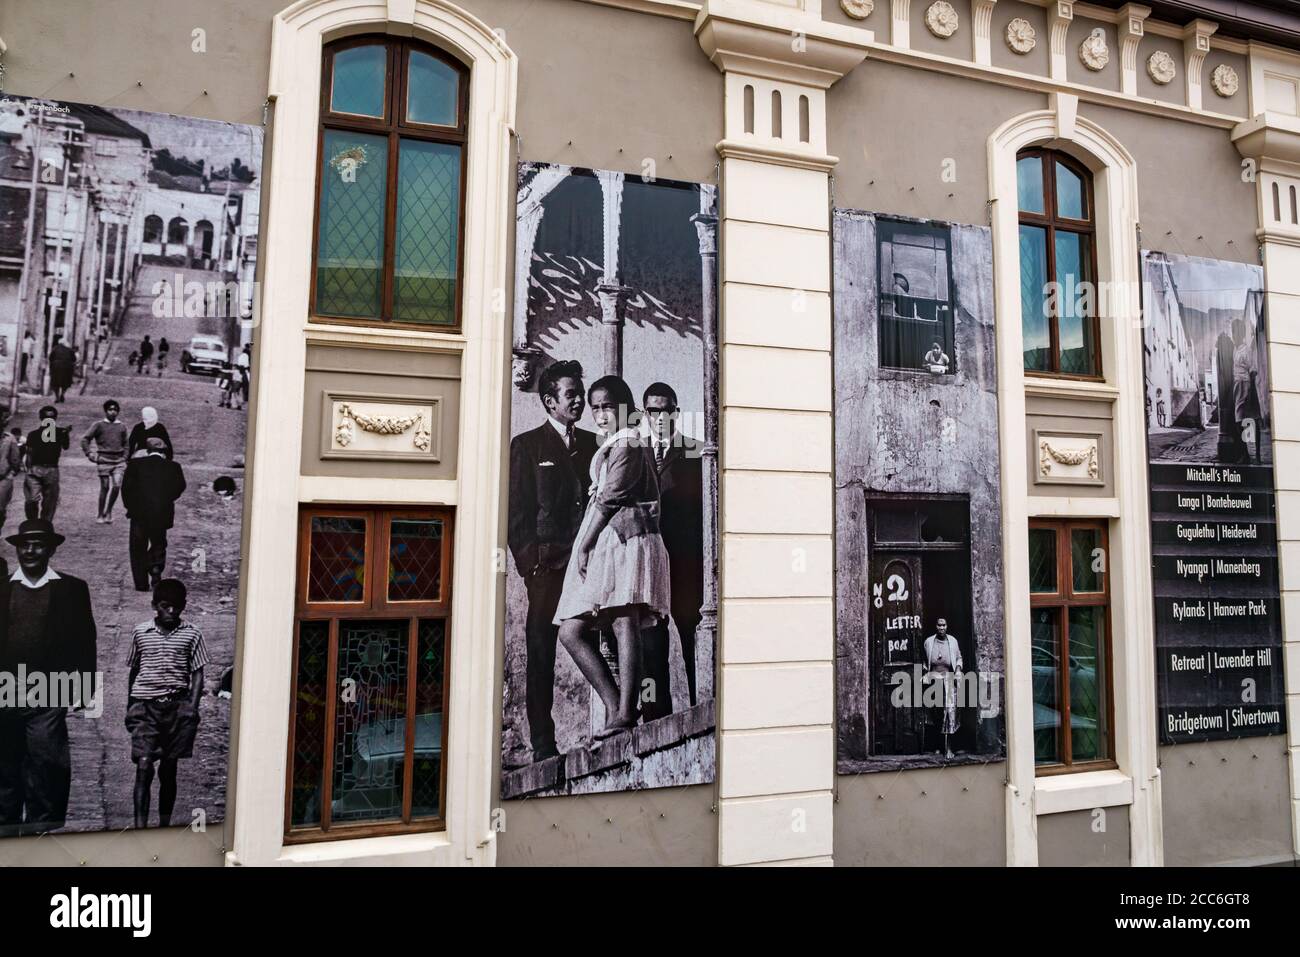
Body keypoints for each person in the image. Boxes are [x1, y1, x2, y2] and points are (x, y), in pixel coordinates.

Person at [554, 376, 671, 740]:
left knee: (624, 619)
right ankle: (615, 703)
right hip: (609, 541)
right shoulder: (613, 446)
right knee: (572, 630)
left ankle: (623, 713)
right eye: (596, 408)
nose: (601, 414)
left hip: (628, 540)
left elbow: (609, 500)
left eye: (607, 407)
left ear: (624, 408)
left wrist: (585, 544)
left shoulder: (630, 445)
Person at [507, 360, 597, 761]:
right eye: (571, 394)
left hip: (593, 565)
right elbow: (516, 513)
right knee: (540, 650)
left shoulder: (595, 445)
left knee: (600, 641)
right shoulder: (526, 446)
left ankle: (607, 724)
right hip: (547, 569)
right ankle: (543, 745)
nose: (579, 400)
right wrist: (532, 565)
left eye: (581, 392)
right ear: (549, 401)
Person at [0, 519, 97, 837]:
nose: (30, 551)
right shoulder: (3, 587)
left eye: (39, 544)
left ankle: (36, 835)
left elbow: (85, 639)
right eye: (25, 545)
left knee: (46, 763)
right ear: (16, 549)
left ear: (51, 549)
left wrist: (83, 690)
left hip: (48, 691)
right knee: (5, 766)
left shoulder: (71, 589)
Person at [639, 382, 703, 720]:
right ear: (645, 414)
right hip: (650, 566)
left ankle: (699, 711)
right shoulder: (636, 453)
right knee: (651, 646)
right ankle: (655, 719)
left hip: (686, 568)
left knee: (693, 639)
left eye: (666, 410)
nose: (660, 416)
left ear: (676, 412)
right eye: (653, 410)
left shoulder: (697, 453)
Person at [125, 578, 209, 829]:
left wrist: (191, 708)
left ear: (183, 606)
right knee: (143, 763)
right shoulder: (141, 632)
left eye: (176, 607)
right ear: (154, 606)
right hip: (145, 707)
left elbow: (197, 673)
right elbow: (134, 671)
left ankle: (164, 825)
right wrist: (130, 704)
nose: (170, 612)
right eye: (164, 606)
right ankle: (140, 828)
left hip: (176, 708)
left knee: (169, 769)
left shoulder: (192, 634)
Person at [122, 438, 187, 592]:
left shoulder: (135, 465)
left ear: (148, 450)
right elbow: (180, 487)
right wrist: (166, 500)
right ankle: (156, 566)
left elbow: (126, 489)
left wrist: (131, 507)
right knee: (158, 542)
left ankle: (141, 583)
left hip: (139, 513)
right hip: (161, 512)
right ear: (164, 452)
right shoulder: (174, 467)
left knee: (138, 547)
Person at [82, 399, 129, 524]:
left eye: (115, 410)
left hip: (118, 460)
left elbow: (126, 444)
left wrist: (125, 457)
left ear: (118, 412)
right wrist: (89, 453)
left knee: (117, 486)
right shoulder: (98, 425)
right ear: (105, 411)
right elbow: (85, 439)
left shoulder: (122, 426)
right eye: (110, 409)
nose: (113, 412)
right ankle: (100, 514)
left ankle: (108, 511)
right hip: (103, 460)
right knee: (105, 487)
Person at [923, 618, 963, 759]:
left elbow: (958, 658)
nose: (941, 627)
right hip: (934, 680)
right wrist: (925, 674)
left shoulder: (952, 641)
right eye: (939, 625)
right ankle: (938, 746)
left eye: (944, 625)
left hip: (949, 679)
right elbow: (924, 661)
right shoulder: (928, 642)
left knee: (950, 713)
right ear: (936, 626)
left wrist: (958, 670)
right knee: (937, 713)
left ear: (947, 626)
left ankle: (950, 748)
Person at [23, 405, 70, 521]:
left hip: (52, 469)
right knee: (31, 500)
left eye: (52, 418)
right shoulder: (33, 434)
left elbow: (66, 446)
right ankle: (32, 522)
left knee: (50, 501)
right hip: (35, 469)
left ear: (55, 419)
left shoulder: (60, 432)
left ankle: (45, 525)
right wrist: (28, 470)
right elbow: (29, 453)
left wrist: (65, 434)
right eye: (46, 418)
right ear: (41, 418)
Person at [1232, 318, 1263, 464]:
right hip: (1238, 386)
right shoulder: (1235, 349)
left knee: (1253, 420)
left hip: (1247, 386)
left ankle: (1256, 456)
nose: (1234, 335)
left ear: (1242, 333)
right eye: (1233, 332)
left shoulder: (1246, 350)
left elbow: (1253, 370)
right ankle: (1245, 453)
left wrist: (1250, 391)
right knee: (1239, 421)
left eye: (1237, 332)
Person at [0, 427, 20, 536]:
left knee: (0, 509)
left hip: (3, 479)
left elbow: (15, 458)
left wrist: (11, 473)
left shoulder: (9, 438)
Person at [47, 336, 76, 404]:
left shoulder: (54, 349)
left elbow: (50, 358)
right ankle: (62, 394)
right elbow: (74, 359)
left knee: (55, 383)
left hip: (56, 367)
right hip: (67, 367)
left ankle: (57, 397)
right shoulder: (69, 350)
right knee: (65, 382)